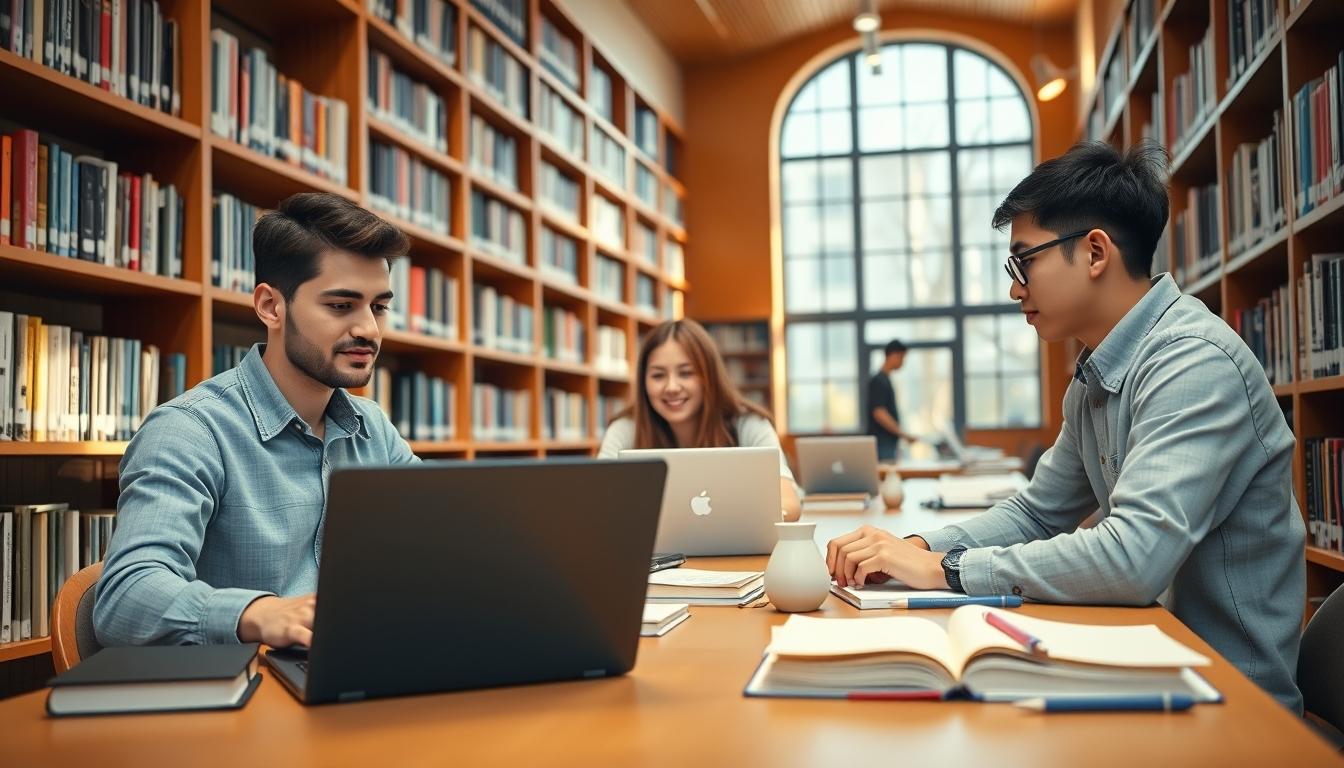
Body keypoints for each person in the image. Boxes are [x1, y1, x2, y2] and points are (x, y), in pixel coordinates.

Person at [825, 140, 1305, 712]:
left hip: (1232, 702)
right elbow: (1038, 511)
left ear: (1095, 252)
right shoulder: (1097, 371)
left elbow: (1133, 558)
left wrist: (945, 569)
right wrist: (916, 545)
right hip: (1152, 662)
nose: (1013, 288)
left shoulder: (1193, 362)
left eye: (1023, 261)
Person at [95, 193, 419, 649]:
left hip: (352, 667)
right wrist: (257, 612)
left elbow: (440, 541)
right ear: (271, 307)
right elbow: (124, 599)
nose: (368, 328)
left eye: (378, 307)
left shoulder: (372, 429)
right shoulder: (189, 432)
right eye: (341, 306)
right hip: (242, 695)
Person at [598, 319, 801, 522]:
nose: (672, 387)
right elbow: (597, 502)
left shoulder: (749, 424)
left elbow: (789, 505)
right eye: (658, 375)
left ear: (710, 377)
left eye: (686, 373)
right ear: (644, 382)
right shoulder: (625, 429)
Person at [866, 339, 915, 460]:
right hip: (882, 444)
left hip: (888, 443)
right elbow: (879, 413)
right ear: (893, 355)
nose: (903, 363)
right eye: (902, 358)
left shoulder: (885, 380)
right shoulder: (879, 381)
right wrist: (903, 434)